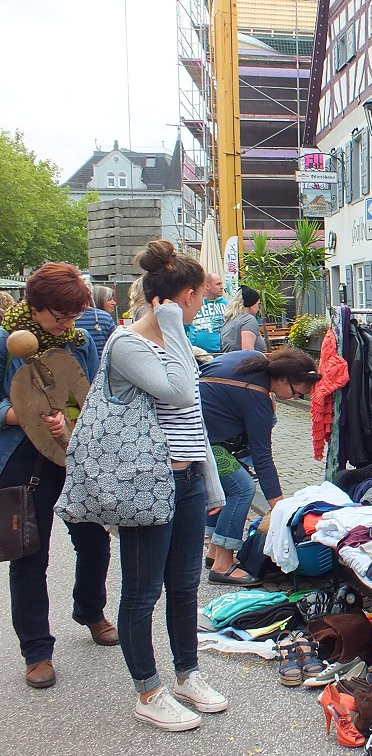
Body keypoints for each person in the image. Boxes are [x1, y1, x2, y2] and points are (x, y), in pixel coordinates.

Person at [87, 239, 228, 731]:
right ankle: (147, 689)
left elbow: (193, 419)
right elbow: (181, 391)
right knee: (142, 591)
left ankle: (187, 673)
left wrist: (209, 481)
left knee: (186, 583)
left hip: (185, 480)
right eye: (200, 301)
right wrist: (169, 326)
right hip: (148, 482)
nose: (201, 311)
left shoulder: (177, 342)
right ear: (182, 297)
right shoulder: (127, 344)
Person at [0, 263, 115, 690]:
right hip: (21, 459)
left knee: (94, 540)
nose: (68, 323)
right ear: (34, 307)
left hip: (72, 455)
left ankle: (90, 610)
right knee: (30, 555)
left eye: (73, 314)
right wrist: (20, 415)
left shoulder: (80, 341)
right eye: (59, 316)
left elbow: (89, 394)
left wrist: (72, 419)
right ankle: (36, 651)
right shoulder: (3, 341)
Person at [199, 347, 320, 585]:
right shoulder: (258, 398)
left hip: (196, 432)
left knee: (230, 486)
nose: (295, 398)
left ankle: (214, 553)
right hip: (201, 442)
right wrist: (280, 507)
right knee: (242, 489)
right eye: (297, 392)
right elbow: (263, 458)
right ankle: (223, 565)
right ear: (282, 379)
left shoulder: (254, 359)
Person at [75, 285, 118, 363]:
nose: (114, 303)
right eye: (109, 299)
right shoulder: (105, 318)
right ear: (99, 300)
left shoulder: (71, 317)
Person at [188, 273, 228, 353]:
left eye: (221, 284)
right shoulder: (194, 303)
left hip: (221, 352)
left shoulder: (227, 304)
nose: (222, 287)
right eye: (218, 284)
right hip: (198, 354)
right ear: (207, 286)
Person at [220, 285, 265, 353]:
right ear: (251, 304)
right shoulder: (249, 320)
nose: (258, 308)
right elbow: (247, 351)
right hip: (244, 362)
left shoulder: (229, 320)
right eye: (258, 304)